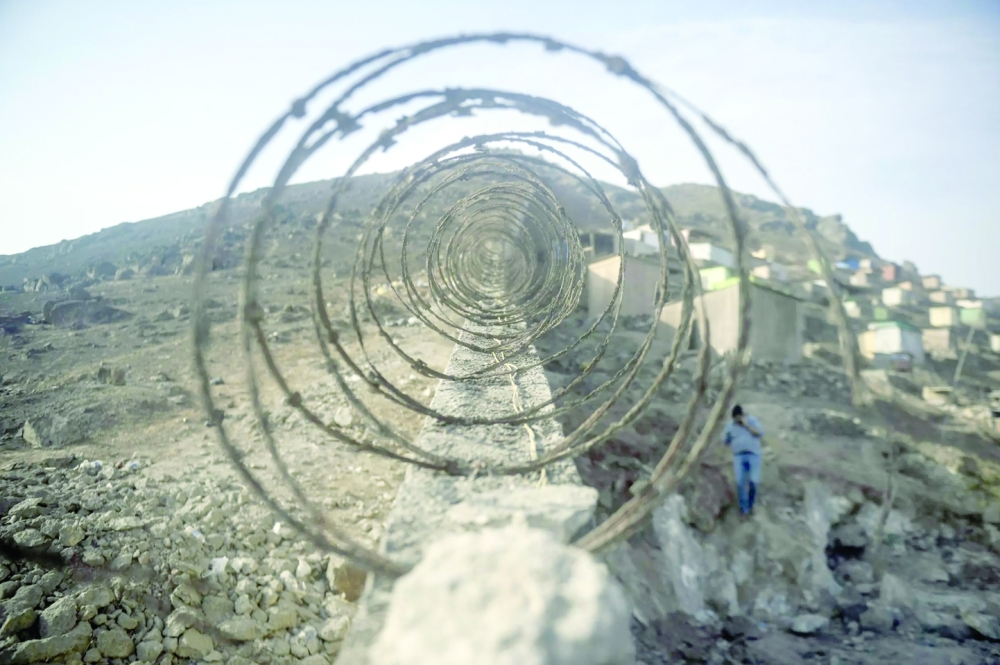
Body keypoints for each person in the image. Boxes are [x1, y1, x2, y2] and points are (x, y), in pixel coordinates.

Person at [721, 404, 764, 516]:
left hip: (753, 455)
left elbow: (759, 433)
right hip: (739, 456)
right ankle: (743, 508)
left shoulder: (752, 420)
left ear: (742, 415)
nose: (737, 420)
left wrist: (747, 426)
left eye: (738, 418)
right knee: (740, 482)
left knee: (754, 481)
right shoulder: (730, 426)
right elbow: (725, 440)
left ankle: (751, 504)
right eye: (735, 419)